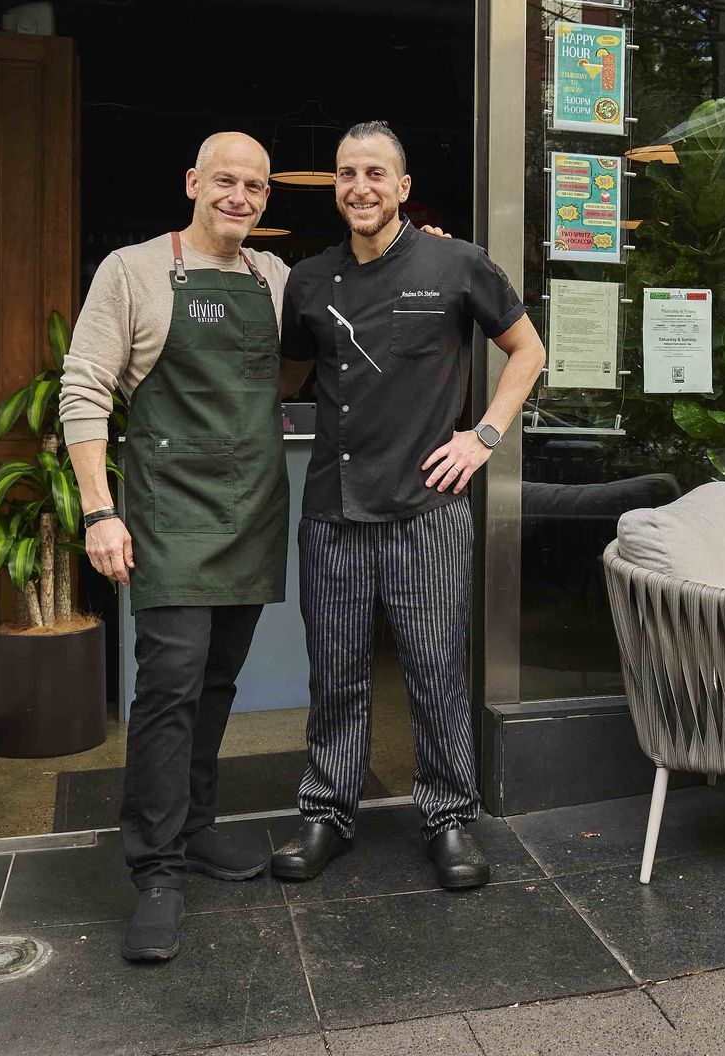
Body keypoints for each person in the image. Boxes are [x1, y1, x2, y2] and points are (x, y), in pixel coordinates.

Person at [269, 120, 546, 889]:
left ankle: (449, 818)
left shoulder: (456, 263)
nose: (359, 187)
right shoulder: (310, 280)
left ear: (402, 187)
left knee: (434, 670)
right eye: (346, 173)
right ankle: (328, 814)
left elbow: (528, 349)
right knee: (336, 673)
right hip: (333, 511)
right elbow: (285, 379)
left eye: (374, 174)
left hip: (428, 508)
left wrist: (482, 437)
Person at [58, 130, 292, 963]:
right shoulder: (133, 271)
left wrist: (423, 250)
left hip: (251, 514)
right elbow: (84, 388)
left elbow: (356, 304)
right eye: (225, 180)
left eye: (254, 186)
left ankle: (195, 826)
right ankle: (156, 870)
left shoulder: (275, 278)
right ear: (193, 182)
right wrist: (100, 511)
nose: (239, 196)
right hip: (169, 515)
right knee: (169, 688)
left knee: (218, 681)